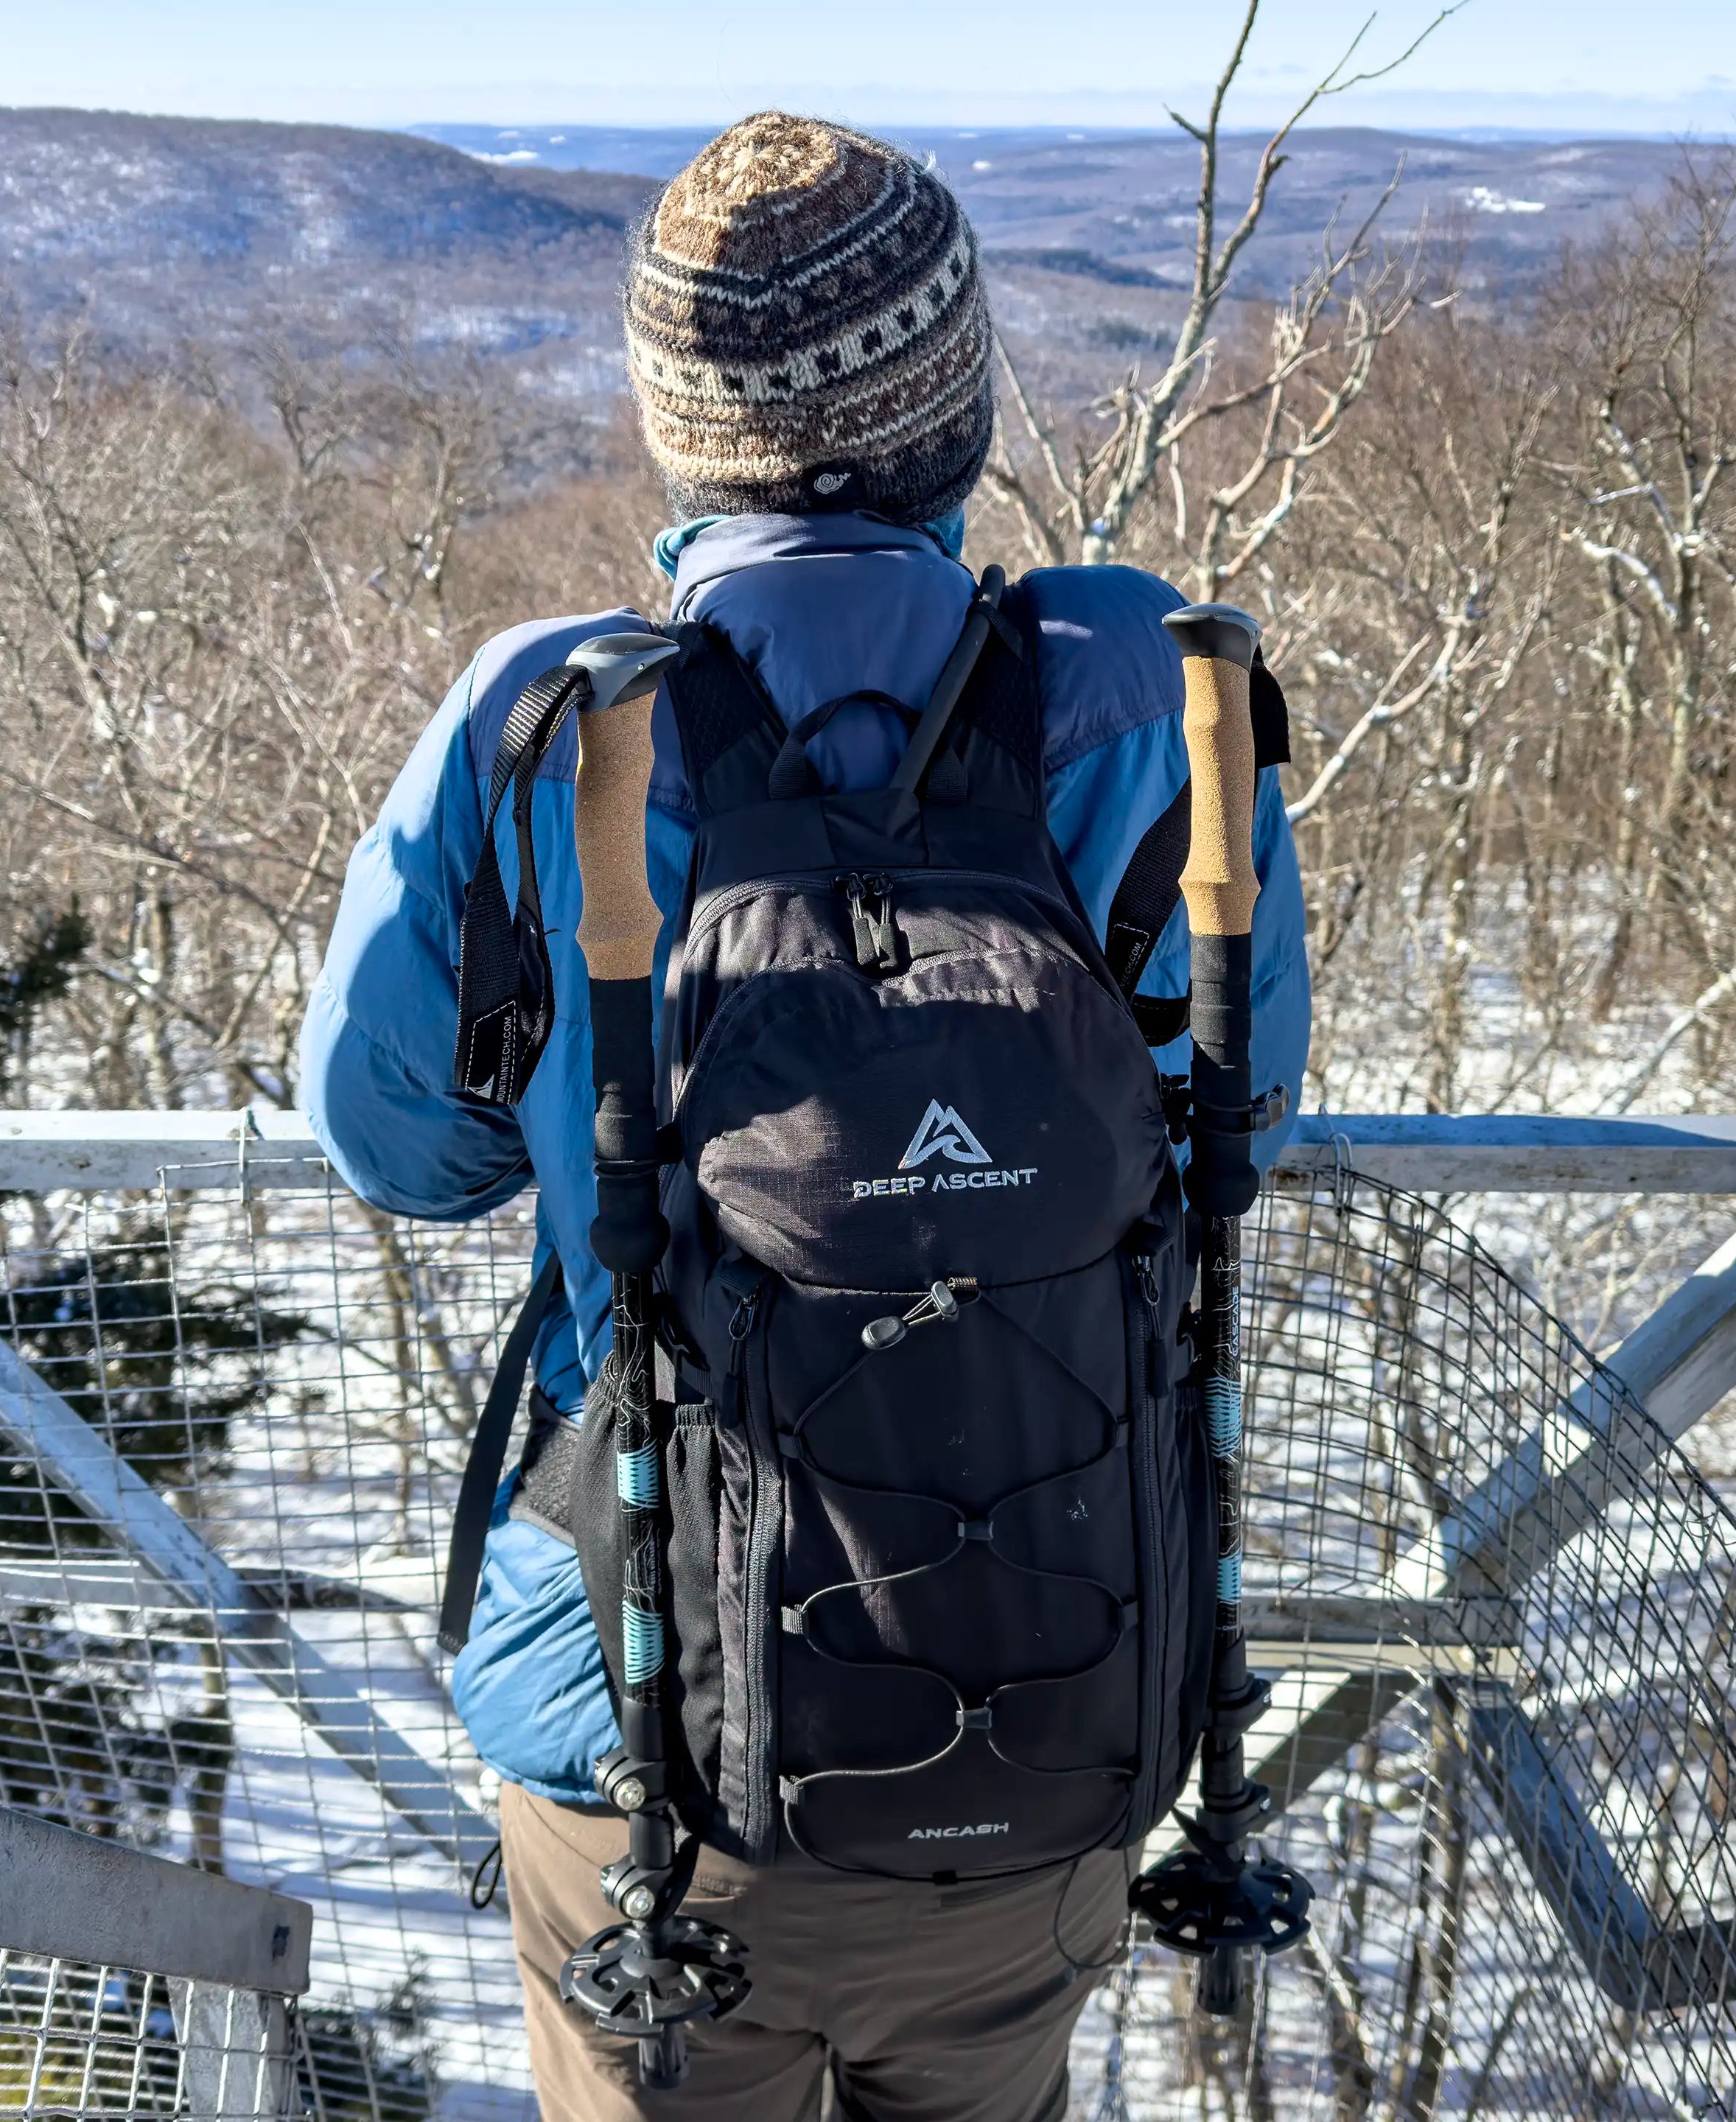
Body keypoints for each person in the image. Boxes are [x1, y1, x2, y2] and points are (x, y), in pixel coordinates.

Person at [300, 111, 1310, 2122]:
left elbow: (396, 1146)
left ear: (683, 424)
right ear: (957, 407)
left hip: (642, 1728)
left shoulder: (563, 717)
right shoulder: (1141, 687)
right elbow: (1232, 1117)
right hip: (1056, 1679)